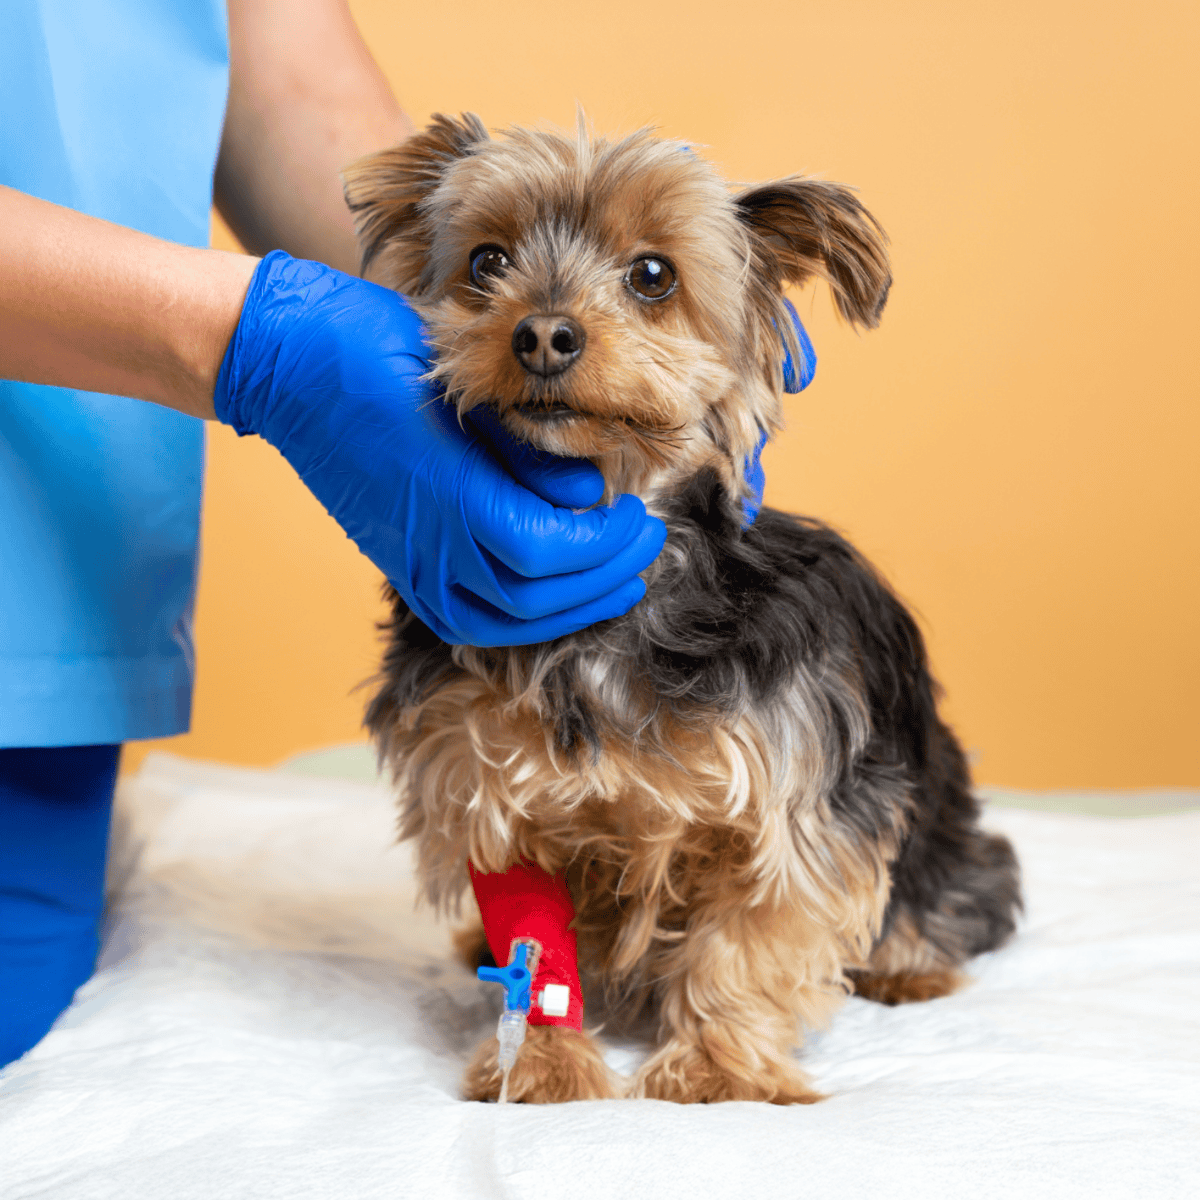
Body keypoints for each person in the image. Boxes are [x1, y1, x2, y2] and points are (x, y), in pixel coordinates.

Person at [0, 0, 813, 1068]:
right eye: (497, 273)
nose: (550, 321)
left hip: (40, 599)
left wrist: (439, 260)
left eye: (651, 280)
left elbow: (267, 58)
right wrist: (248, 337)